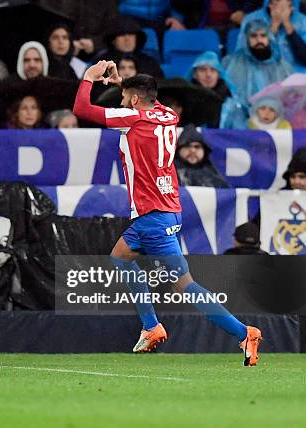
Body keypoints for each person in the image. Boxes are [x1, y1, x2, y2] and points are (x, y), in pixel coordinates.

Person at [73, 61, 262, 365]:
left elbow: (82, 109)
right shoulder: (168, 115)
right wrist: (124, 84)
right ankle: (152, 327)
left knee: (184, 284)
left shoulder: (132, 118)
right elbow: (148, 99)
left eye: (124, 98)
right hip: (168, 210)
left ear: (134, 101)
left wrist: (89, 78)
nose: (121, 102)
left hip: (152, 214)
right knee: (121, 257)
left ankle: (242, 333)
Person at [224, 18, 293, 103]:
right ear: (246, 39)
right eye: (253, 36)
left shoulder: (283, 65)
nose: (259, 40)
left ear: (269, 38)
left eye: (263, 35)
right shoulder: (230, 63)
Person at [238, 0, 306, 71]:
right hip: (261, 73)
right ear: (270, 4)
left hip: (296, 74)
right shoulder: (252, 19)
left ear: (291, 5)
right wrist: (274, 27)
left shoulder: (303, 21)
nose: (280, 5)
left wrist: (287, 24)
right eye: (277, 1)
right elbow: (245, 57)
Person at [187, 51, 247, 129]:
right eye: (203, 70)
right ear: (194, 74)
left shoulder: (231, 101)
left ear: (219, 74)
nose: (208, 74)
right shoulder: (186, 99)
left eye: (213, 70)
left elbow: (239, 132)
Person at [94, 17, 164, 79]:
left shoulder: (149, 63)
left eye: (130, 34)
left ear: (137, 38)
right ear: (113, 40)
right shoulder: (102, 63)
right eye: (121, 34)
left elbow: (158, 87)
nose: (127, 38)